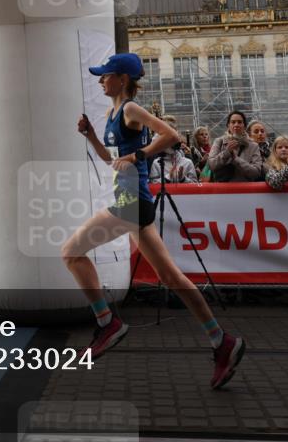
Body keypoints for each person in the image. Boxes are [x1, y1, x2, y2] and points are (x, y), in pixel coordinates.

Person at [62, 53, 245, 389]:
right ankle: (222, 341)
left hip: (132, 203)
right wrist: (90, 136)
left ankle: (107, 322)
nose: (101, 80)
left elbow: (171, 135)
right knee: (170, 276)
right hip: (133, 203)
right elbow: (111, 159)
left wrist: (138, 155)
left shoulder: (130, 109)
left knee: (71, 253)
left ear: (123, 79)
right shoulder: (111, 113)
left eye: (106, 75)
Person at [205, 111, 264, 182]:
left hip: (245, 190)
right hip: (222, 190)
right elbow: (212, 165)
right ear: (228, 125)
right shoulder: (219, 141)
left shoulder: (253, 146)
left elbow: (256, 172)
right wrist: (226, 153)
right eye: (233, 122)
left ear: (244, 126)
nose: (236, 125)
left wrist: (236, 159)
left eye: (239, 122)